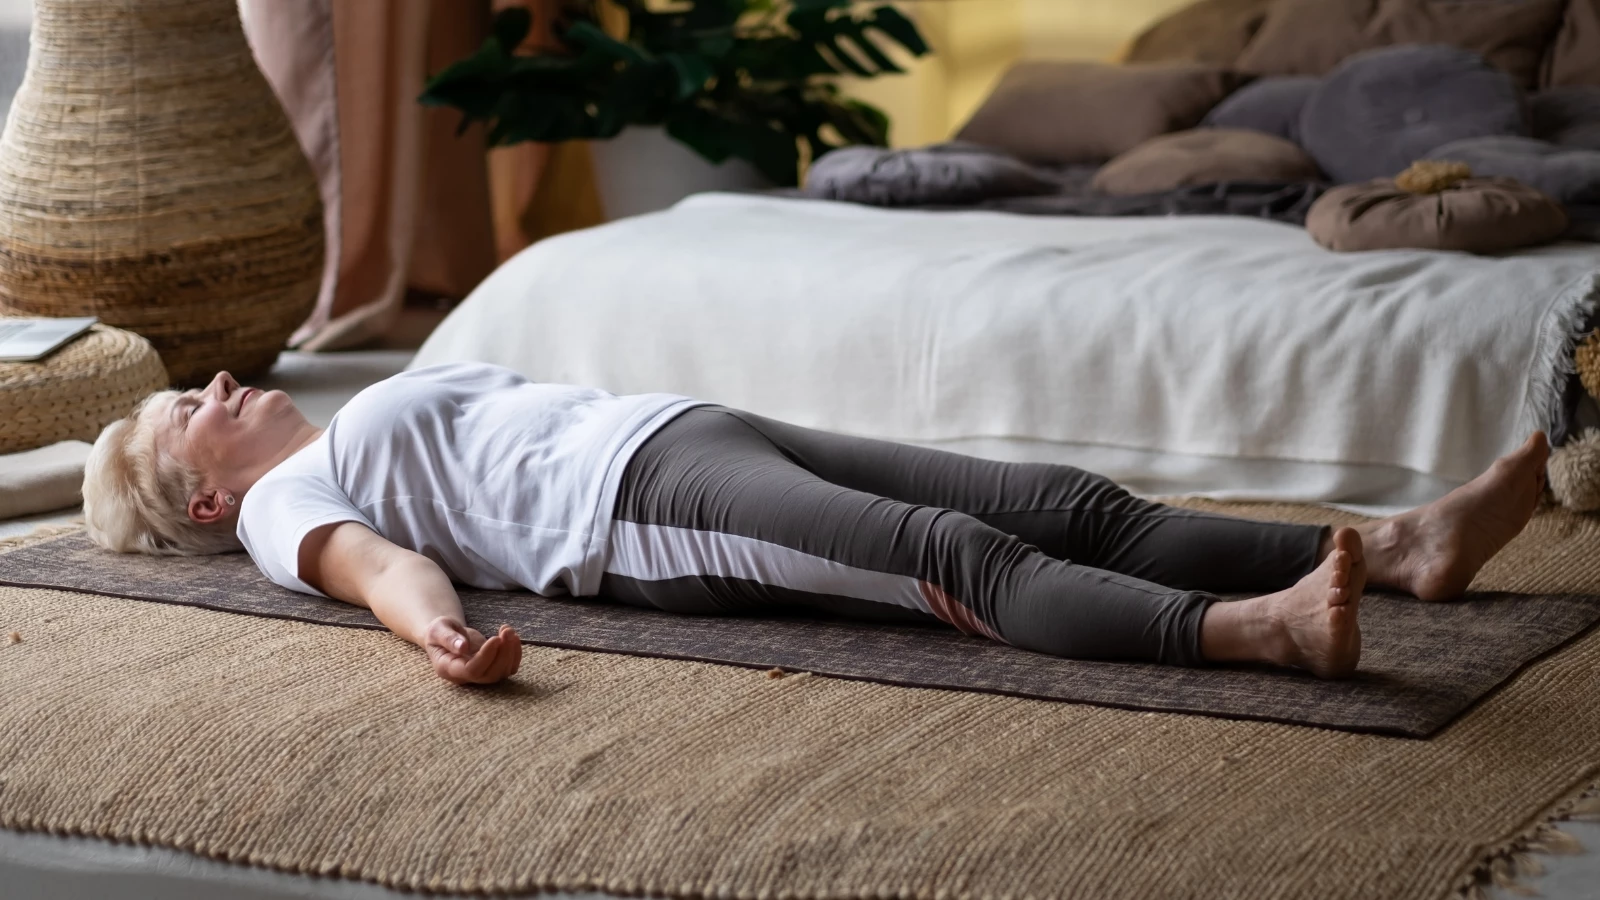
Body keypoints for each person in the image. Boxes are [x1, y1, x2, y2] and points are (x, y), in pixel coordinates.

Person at [81, 362, 1550, 687]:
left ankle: (1407, 550)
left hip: (684, 430)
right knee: (960, 567)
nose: (216, 385)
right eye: (185, 411)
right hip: (644, 512)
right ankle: (1260, 633)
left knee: (1059, 501)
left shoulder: (332, 417)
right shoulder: (283, 508)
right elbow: (375, 565)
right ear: (206, 497)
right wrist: (438, 630)